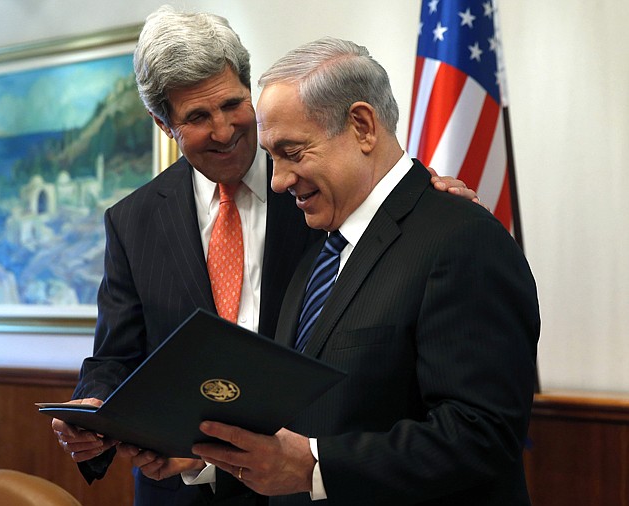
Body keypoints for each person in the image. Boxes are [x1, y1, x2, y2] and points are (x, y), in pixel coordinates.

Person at [51, 8, 484, 506]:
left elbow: (388, 213)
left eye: (233, 104)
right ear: (162, 123)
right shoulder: (133, 221)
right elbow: (116, 355)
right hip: (183, 484)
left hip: (315, 481)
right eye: (195, 117)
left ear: (248, 86)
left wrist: (424, 197)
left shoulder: (319, 190)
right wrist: (94, 408)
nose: (223, 130)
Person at [187, 37, 540, 505]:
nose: (277, 180)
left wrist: (315, 465)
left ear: (362, 126)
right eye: (272, 157)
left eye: (291, 152)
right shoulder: (319, 251)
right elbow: (303, 421)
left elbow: (482, 434)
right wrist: (205, 459)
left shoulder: (462, 239)